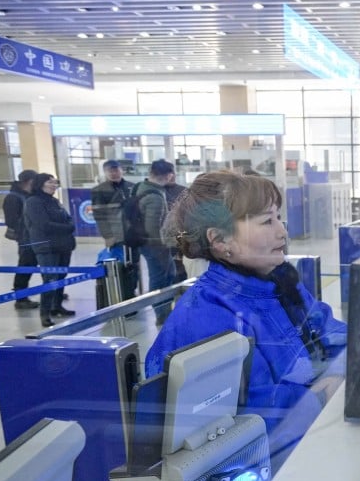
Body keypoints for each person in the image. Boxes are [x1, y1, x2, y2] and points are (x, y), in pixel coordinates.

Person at [145, 170, 346, 465]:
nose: (282, 232)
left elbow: (333, 334)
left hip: (314, 446)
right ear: (220, 240)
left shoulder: (282, 285)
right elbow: (257, 419)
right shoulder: (207, 318)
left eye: (279, 218)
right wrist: (321, 394)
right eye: (267, 221)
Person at [23, 173, 77, 328]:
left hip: (63, 246)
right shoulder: (33, 202)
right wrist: (67, 228)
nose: (54, 185)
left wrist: (68, 226)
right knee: (50, 279)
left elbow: (68, 217)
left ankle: (57, 306)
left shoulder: (54, 201)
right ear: (40, 184)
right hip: (47, 248)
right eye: (50, 182)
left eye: (55, 182)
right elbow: (43, 225)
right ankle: (45, 313)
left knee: (61, 276)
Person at [135, 160, 176, 323]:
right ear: (168, 175)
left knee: (167, 274)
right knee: (160, 278)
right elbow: (153, 228)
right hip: (154, 245)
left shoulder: (141, 187)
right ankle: (161, 314)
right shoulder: (155, 196)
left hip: (145, 243)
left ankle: (164, 310)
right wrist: (163, 246)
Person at [90, 160, 139, 296]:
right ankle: (122, 294)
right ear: (105, 172)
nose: (114, 173)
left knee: (133, 264)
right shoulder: (99, 190)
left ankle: (132, 292)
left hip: (133, 234)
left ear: (121, 170)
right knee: (119, 265)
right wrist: (107, 235)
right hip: (116, 235)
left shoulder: (131, 187)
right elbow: (99, 215)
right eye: (110, 170)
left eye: (116, 170)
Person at [3, 169, 40, 310]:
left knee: (42, 265)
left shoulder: (28, 195)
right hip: (26, 239)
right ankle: (21, 298)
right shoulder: (14, 197)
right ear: (30, 181)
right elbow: (12, 220)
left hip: (36, 236)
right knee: (26, 266)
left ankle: (51, 291)